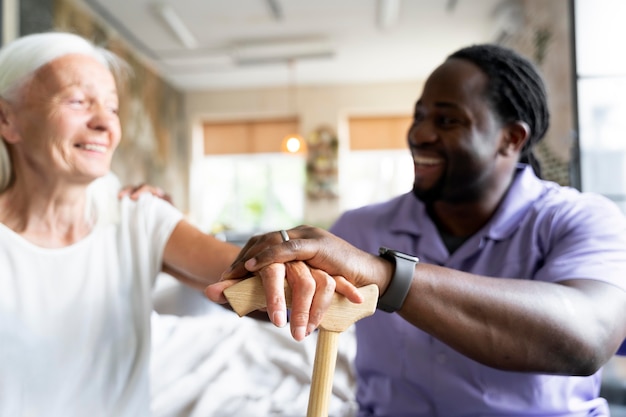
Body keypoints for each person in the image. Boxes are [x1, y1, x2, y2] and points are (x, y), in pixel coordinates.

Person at [210, 44, 626, 416]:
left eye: (447, 120)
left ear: (510, 139)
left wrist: (385, 276)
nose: (419, 134)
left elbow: (586, 338)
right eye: (420, 115)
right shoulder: (362, 226)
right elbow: (279, 306)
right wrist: (258, 275)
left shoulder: (582, 220)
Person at [0, 31, 360, 417]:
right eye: (77, 102)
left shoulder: (139, 215)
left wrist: (289, 266)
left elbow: (239, 266)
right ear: (7, 120)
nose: (106, 123)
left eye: (112, 107)